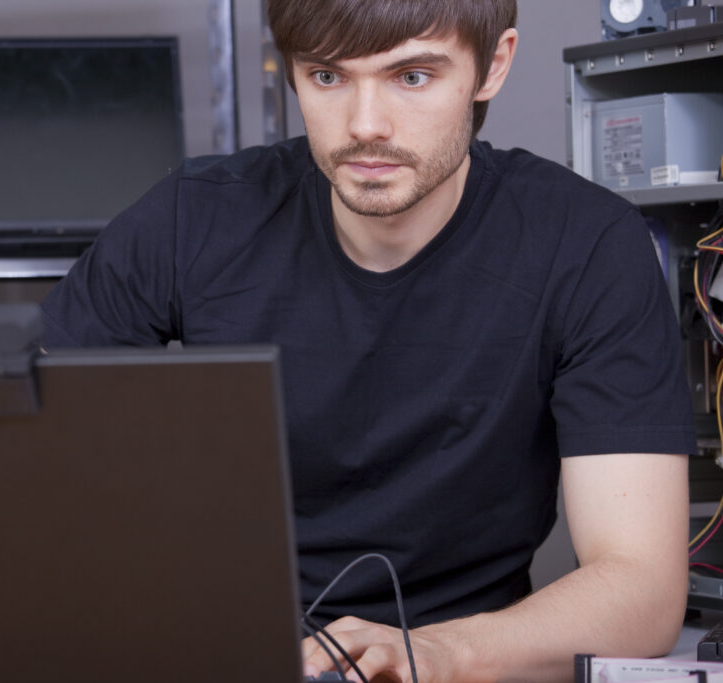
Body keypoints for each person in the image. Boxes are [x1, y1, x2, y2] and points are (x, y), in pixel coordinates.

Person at [39, 0, 696, 680]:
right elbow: (28, 481)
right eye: (327, 77)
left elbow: (641, 591)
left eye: (411, 76)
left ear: (492, 66)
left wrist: (441, 653)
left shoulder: (586, 245)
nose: (364, 126)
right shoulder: (191, 219)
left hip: (464, 665)